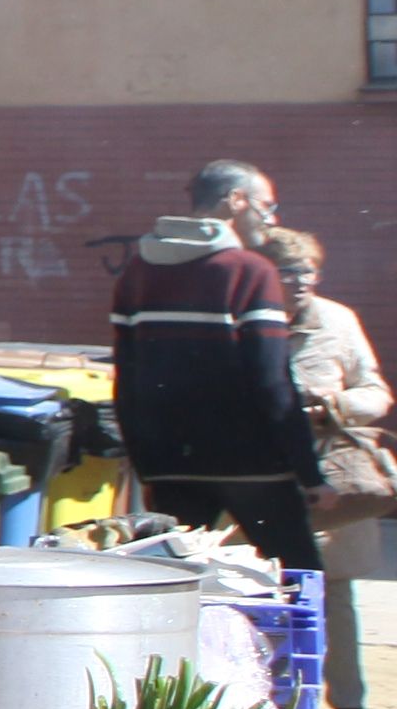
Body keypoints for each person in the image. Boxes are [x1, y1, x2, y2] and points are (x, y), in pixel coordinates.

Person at [111, 160, 325, 570]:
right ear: (236, 201)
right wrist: (309, 474)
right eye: (266, 205)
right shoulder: (250, 271)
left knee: (175, 583)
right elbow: (272, 382)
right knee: (297, 581)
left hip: (168, 466)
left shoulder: (136, 273)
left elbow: (128, 379)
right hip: (256, 468)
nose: (272, 218)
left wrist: (146, 463)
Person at [263, 227, 394, 538]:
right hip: (261, 472)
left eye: (309, 271)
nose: (302, 280)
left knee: (330, 580)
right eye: (289, 271)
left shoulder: (338, 320)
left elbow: (376, 393)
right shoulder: (242, 319)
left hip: (333, 472)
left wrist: (335, 405)